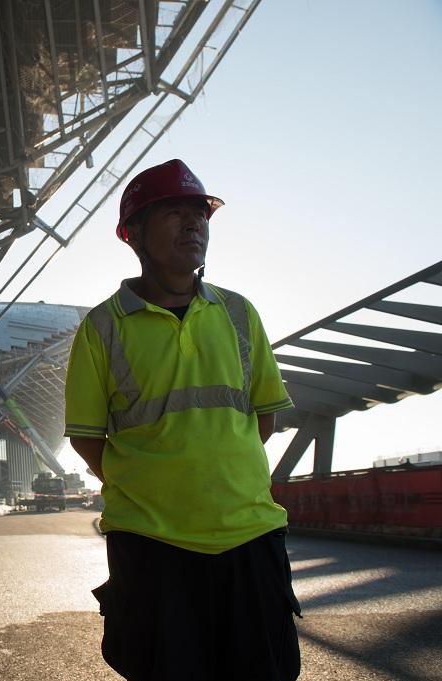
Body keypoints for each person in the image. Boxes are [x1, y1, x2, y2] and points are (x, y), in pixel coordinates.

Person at [64, 159, 301, 681]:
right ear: (134, 235)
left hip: (250, 535)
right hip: (152, 545)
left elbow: (265, 415)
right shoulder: (102, 328)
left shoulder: (240, 313)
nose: (194, 224)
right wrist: (154, 486)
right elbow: (86, 437)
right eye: (174, 212)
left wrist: (218, 476)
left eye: (201, 214)